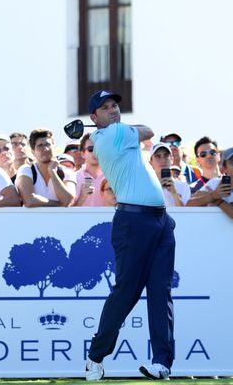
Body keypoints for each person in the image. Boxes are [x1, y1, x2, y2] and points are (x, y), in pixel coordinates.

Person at [85, 90, 176, 381]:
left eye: (114, 106)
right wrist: (128, 128)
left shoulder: (117, 133)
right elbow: (149, 130)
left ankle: (162, 363)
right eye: (105, 107)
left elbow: (144, 135)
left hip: (161, 221)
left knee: (161, 292)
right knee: (127, 293)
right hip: (133, 222)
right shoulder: (108, 136)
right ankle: (96, 356)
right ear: (93, 118)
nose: (113, 110)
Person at [187, 147, 233, 223]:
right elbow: (189, 205)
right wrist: (213, 195)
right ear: (224, 168)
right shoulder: (214, 182)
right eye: (232, 162)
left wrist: (215, 199)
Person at [15, 129, 76, 207]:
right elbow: (29, 201)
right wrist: (60, 204)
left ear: (54, 147)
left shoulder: (67, 172)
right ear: (33, 152)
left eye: (48, 144)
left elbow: (68, 200)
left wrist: (53, 172)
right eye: (40, 146)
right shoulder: (26, 170)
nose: (46, 149)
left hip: (59, 219)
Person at [73, 132, 116, 207]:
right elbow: (68, 214)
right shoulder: (73, 178)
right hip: (82, 219)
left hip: (107, 219)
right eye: (91, 149)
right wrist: (82, 197)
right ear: (83, 153)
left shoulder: (114, 177)